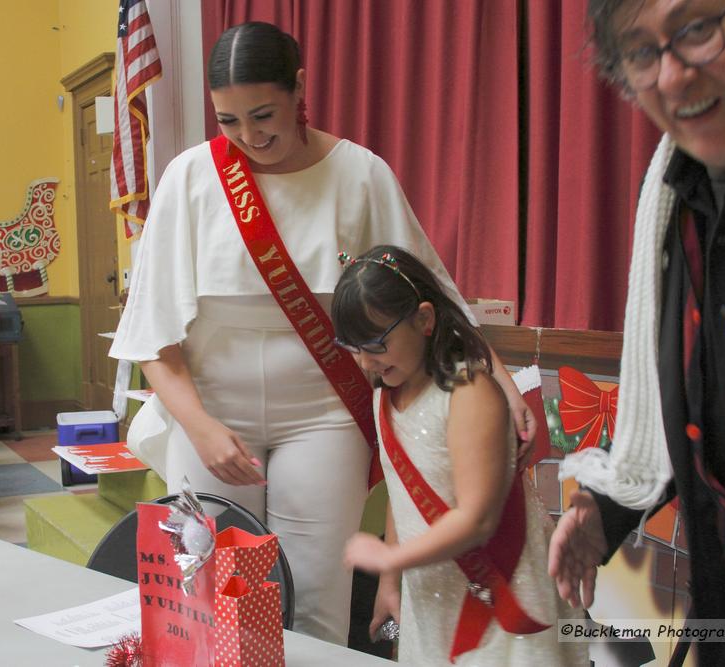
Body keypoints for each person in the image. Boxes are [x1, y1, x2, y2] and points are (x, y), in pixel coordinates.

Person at [109, 21, 535, 644]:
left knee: (314, 598)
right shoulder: (190, 178)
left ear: (300, 87)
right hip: (210, 418)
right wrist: (198, 428)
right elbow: (152, 336)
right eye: (229, 121)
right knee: (203, 595)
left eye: (264, 115)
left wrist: (501, 384)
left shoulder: (360, 174)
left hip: (324, 416)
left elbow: (434, 295)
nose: (251, 138)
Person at [550, 1, 725, 664]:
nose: (672, 75)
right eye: (642, 51)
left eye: (696, 28)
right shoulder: (675, 200)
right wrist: (608, 505)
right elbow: (710, 417)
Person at [335, 246, 586, 666]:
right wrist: (390, 582)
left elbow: (479, 520)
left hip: (499, 590)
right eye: (352, 346)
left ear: (425, 319)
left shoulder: (469, 391)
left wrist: (391, 556)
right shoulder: (385, 396)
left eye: (377, 343)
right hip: (430, 592)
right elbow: (402, 492)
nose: (364, 361)